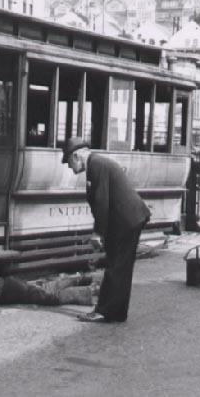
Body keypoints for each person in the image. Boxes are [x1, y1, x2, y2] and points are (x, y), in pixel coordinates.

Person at [61, 136, 151, 323]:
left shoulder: (96, 166)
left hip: (126, 220)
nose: (69, 167)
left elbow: (102, 202)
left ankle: (104, 310)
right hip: (129, 219)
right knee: (122, 267)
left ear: (76, 156)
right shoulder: (97, 164)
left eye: (68, 161)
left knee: (115, 266)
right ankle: (117, 312)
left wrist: (98, 233)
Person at [0, 267, 99, 308]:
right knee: (45, 287)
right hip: (11, 285)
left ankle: (88, 291)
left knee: (51, 298)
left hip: (11, 290)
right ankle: (80, 279)